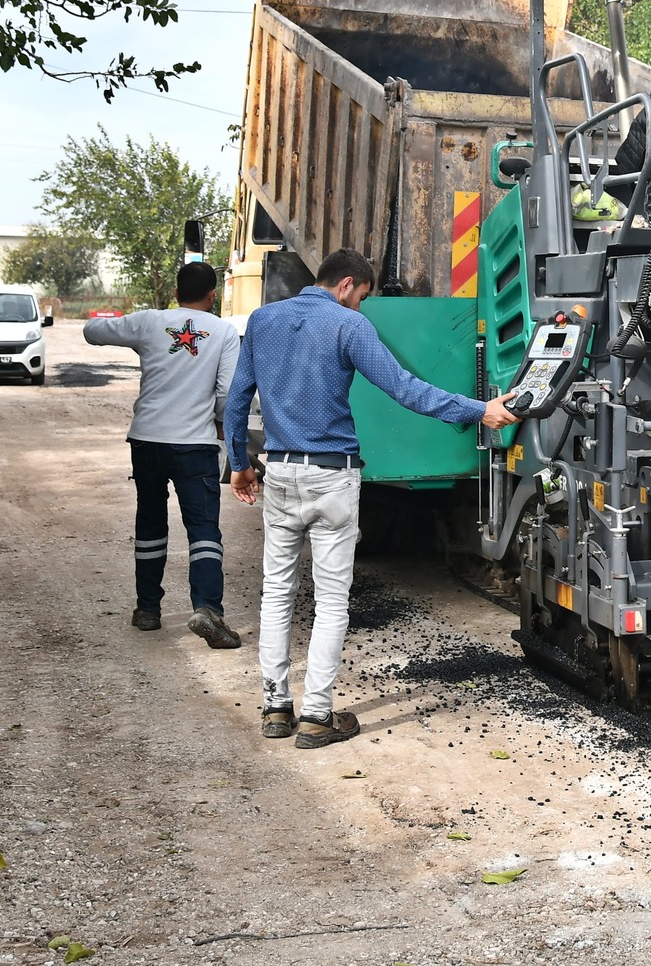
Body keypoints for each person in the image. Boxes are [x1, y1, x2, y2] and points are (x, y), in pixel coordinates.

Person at [225, 249, 519, 748]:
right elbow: (405, 389)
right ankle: (317, 715)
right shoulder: (348, 326)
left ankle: (276, 708)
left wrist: (237, 464)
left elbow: (235, 399)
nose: (360, 307)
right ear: (346, 285)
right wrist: (478, 410)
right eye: (361, 297)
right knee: (331, 599)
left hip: (278, 472)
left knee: (277, 591)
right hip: (332, 478)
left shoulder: (263, 319)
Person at [83, 261, 243, 649]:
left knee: (151, 523)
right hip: (194, 444)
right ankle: (207, 609)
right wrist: (223, 426)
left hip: (147, 441)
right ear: (213, 295)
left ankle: (147, 610)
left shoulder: (149, 321)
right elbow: (227, 395)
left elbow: (91, 331)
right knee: (204, 530)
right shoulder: (222, 332)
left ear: (175, 293)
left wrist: (126, 324)